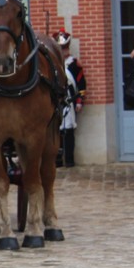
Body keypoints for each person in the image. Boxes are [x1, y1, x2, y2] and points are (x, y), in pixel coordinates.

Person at [56, 30, 86, 167]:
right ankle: (57, 160)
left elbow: (81, 83)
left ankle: (69, 160)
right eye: (61, 49)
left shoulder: (74, 64)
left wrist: (80, 101)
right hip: (56, 99)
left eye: (64, 48)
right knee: (56, 131)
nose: (63, 51)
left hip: (70, 99)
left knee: (68, 131)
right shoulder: (54, 64)